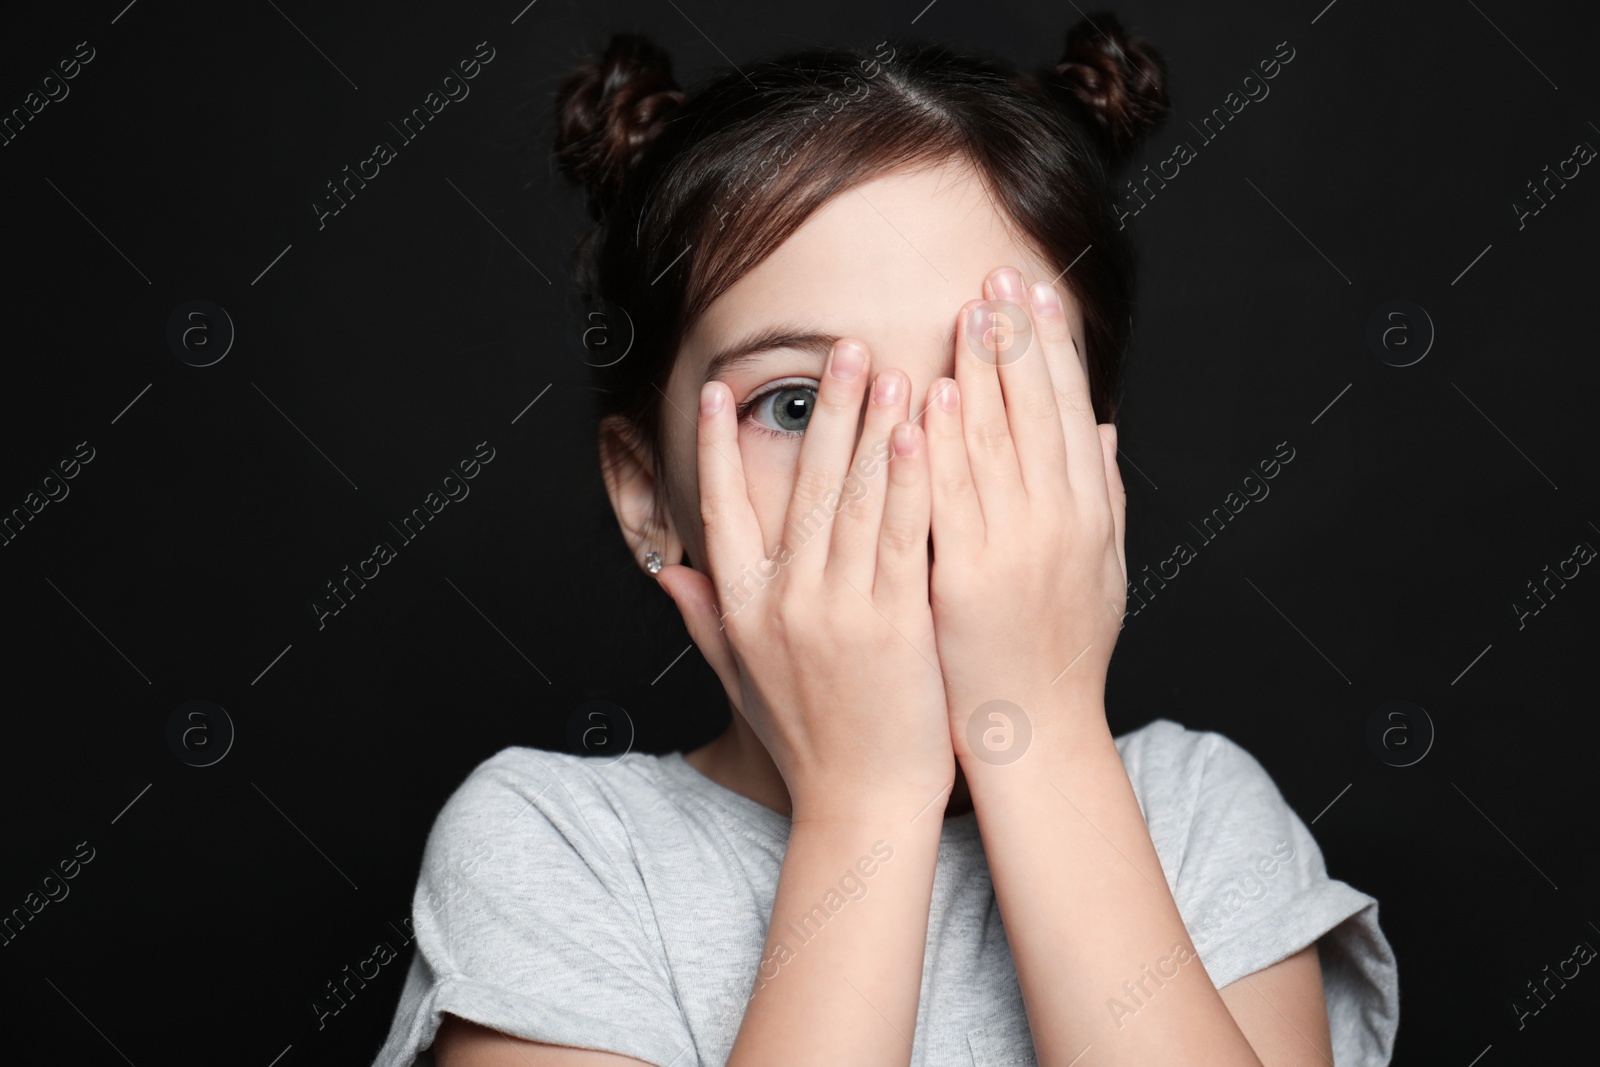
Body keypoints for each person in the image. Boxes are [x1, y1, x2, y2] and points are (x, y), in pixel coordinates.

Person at [372, 14, 1398, 1066]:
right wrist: (865, 802)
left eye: (988, 390)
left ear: (1090, 457)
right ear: (649, 497)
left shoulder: (1196, 819)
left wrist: (1036, 729)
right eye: (798, 405)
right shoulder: (556, 850)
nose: (899, 472)